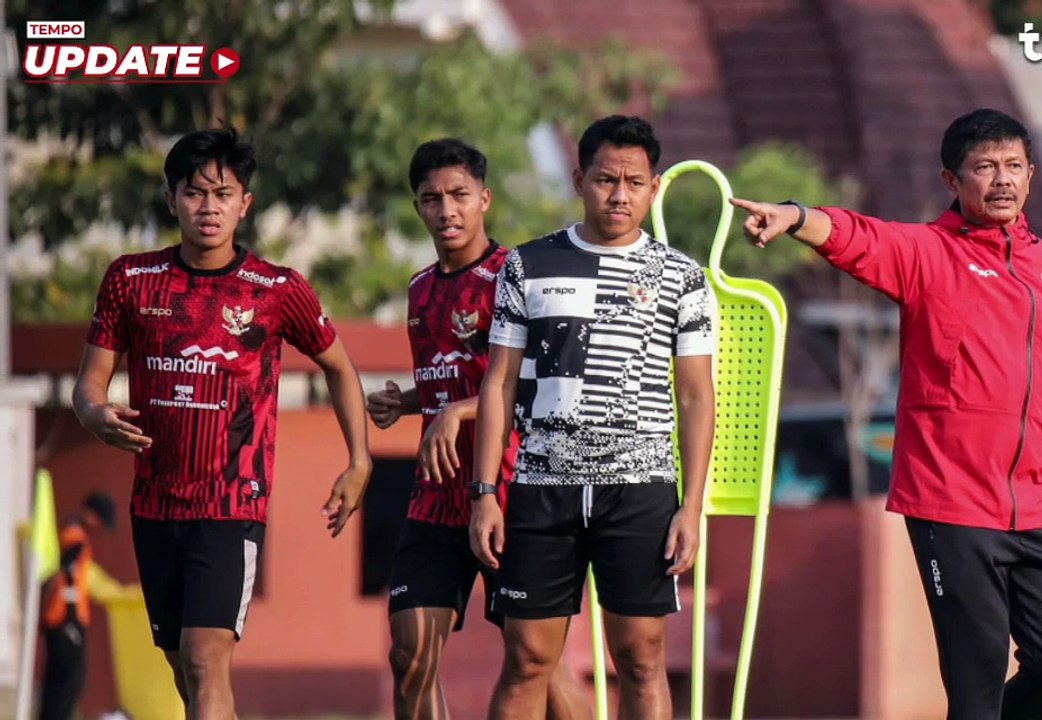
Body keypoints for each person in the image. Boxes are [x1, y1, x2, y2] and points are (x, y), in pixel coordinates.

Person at [731, 108, 1042, 719]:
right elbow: (858, 236)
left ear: (1030, 174)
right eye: (985, 166)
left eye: (1014, 165)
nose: (1003, 179)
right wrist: (795, 216)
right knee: (976, 681)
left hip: (1040, 505)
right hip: (950, 504)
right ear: (952, 180)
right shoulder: (927, 255)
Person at [72, 127, 371, 720]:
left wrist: (359, 461)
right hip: (155, 504)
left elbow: (339, 367)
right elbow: (89, 386)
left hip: (231, 504)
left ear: (245, 204)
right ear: (171, 199)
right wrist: (95, 414)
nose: (208, 207)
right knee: (186, 671)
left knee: (205, 661)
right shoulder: (130, 281)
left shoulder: (277, 289)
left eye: (223, 194)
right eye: (194, 193)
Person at [470, 115, 718, 720]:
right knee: (528, 658)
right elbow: (499, 382)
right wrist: (484, 493)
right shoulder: (526, 265)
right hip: (542, 488)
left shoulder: (683, 277)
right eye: (607, 180)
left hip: (639, 490)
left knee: (641, 659)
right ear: (580, 179)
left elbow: (695, 396)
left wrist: (691, 507)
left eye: (634, 183)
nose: (619, 195)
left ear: (654, 188)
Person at [365, 138, 590, 720]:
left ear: (484, 198)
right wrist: (406, 402)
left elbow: (543, 383)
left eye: (459, 194)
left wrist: (458, 413)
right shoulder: (419, 289)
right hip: (436, 501)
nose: (447, 210)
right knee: (410, 656)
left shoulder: (519, 276)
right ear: (418, 207)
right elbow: (456, 377)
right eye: (431, 198)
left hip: (513, 494)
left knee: (539, 662)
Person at [38, 492, 122, 720]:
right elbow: (64, 574)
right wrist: (70, 619)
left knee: (65, 680)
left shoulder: (76, 535)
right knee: (69, 681)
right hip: (65, 618)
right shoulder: (74, 535)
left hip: (64, 618)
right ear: (91, 515)